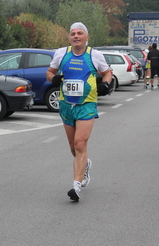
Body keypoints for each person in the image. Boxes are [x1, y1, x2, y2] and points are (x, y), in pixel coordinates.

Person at [46, 22, 112, 201]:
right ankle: (85, 165)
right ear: (69, 38)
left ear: (86, 37)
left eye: (80, 33)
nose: (76, 36)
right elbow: (50, 72)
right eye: (73, 33)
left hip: (86, 104)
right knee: (73, 146)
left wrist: (105, 84)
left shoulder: (95, 55)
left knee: (80, 143)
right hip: (66, 104)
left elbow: (107, 73)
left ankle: (76, 186)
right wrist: (54, 79)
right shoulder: (61, 53)